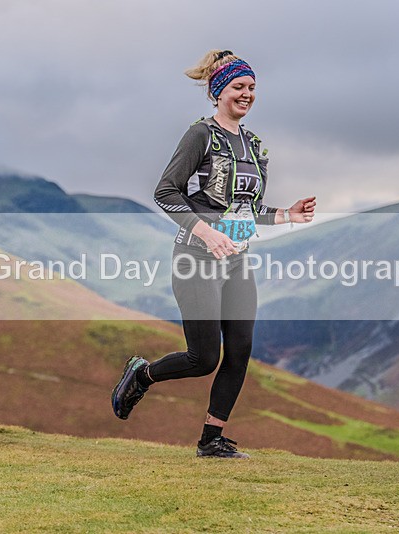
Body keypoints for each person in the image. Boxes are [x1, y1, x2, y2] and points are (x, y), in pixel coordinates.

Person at [111, 49, 316, 459]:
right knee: (204, 358)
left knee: (239, 351)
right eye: (240, 87)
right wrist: (204, 232)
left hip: (237, 261)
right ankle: (142, 373)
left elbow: (245, 210)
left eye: (253, 88)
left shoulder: (256, 146)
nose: (248, 94)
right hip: (195, 259)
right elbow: (165, 193)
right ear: (219, 91)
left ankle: (211, 440)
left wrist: (286, 215)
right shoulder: (200, 135)